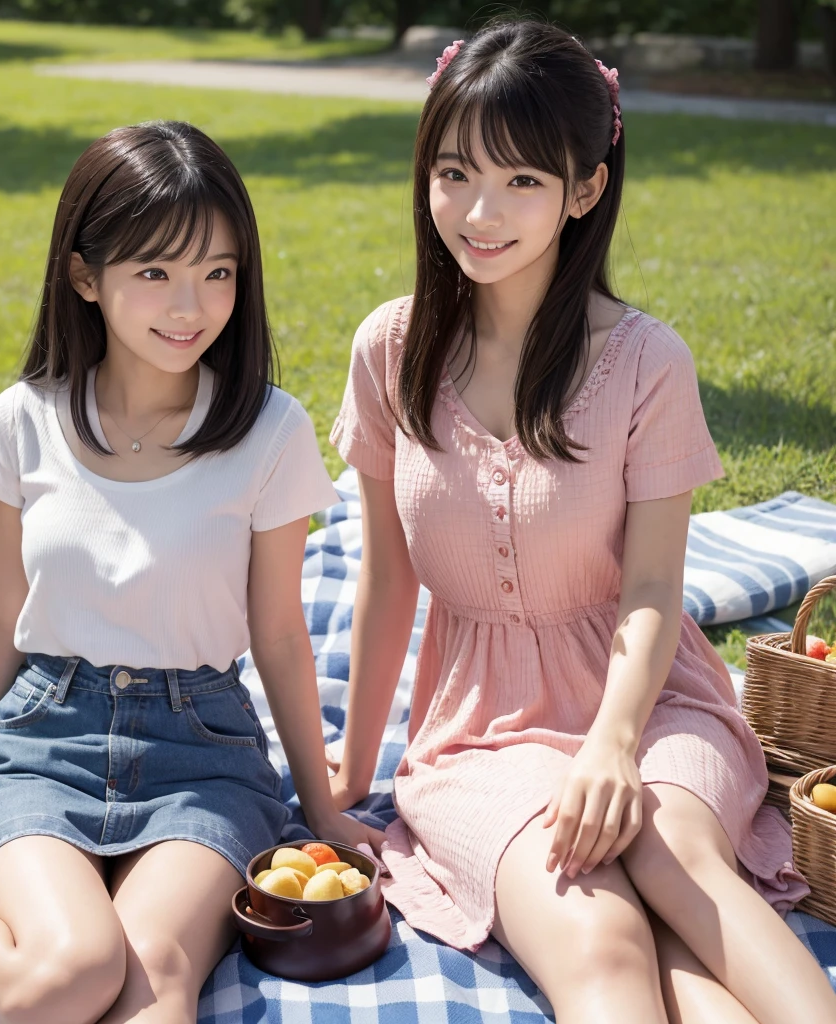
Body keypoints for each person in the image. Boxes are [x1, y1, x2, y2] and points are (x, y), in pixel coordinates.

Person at [0, 120, 383, 1024]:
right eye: (155, 272)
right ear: (86, 277)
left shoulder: (270, 432)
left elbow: (279, 635)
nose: (190, 305)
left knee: (153, 976)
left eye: (218, 272)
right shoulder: (23, 421)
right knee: (71, 972)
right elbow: (0, 615)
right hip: (42, 738)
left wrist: (321, 809)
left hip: (204, 751)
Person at [327, 21, 836, 1024]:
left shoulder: (645, 361)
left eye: (522, 181)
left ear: (585, 189)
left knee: (672, 857)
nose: (478, 211)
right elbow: (387, 581)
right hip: (479, 733)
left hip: (649, 703)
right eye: (453, 171)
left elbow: (652, 589)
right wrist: (349, 768)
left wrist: (610, 745)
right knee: (605, 941)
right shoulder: (389, 350)